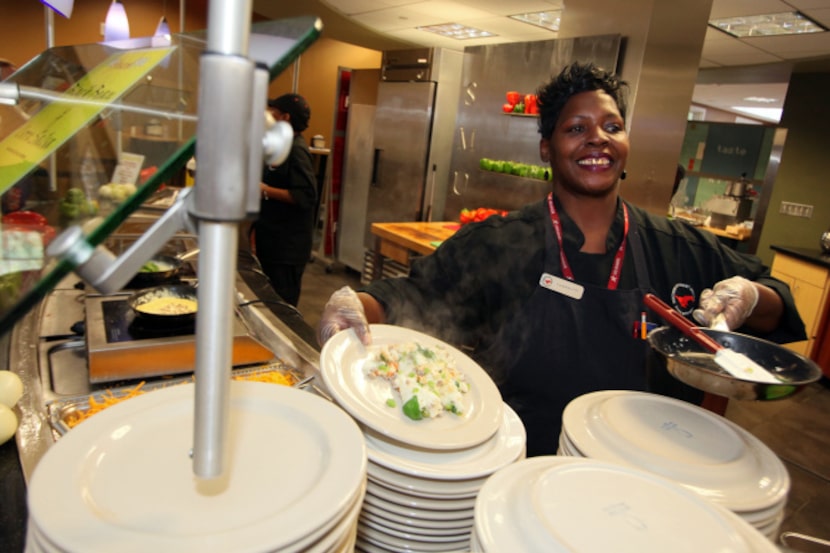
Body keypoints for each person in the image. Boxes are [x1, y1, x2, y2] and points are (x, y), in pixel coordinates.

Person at [317, 62, 806, 457]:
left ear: (626, 148)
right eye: (577, 128)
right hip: (520, 465)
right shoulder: (499, 242)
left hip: (648, 472)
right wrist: (355, 305)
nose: (598, 138)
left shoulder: (678, 245)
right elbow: (413, 295)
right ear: (547, 149)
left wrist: (749, 295)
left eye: (611, 126)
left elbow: (779, 302)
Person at [252, 93, 317, 307]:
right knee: (269, 301)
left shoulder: (296, 150)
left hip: (287, 248)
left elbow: (306, 196)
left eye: (273, 112)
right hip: (272, 240)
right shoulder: (281, 146)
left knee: (282, 306)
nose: (268, 116)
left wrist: (265, 190)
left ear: (285, 118)